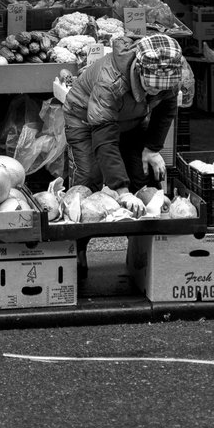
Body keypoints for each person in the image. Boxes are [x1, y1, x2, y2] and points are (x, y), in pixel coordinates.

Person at [61, 33, 192, 274]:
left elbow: (167, 108)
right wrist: (121, 190)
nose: (155, 92)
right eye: (150, 86)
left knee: (142, 177)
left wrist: (152, 148)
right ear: (139, 70)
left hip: (131, 120)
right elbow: (104, 137)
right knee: (89, 178)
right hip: (86, 121)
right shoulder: (110, 81)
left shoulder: (167, 73)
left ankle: (141, 254)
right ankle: (75, 251)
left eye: (160, 88)